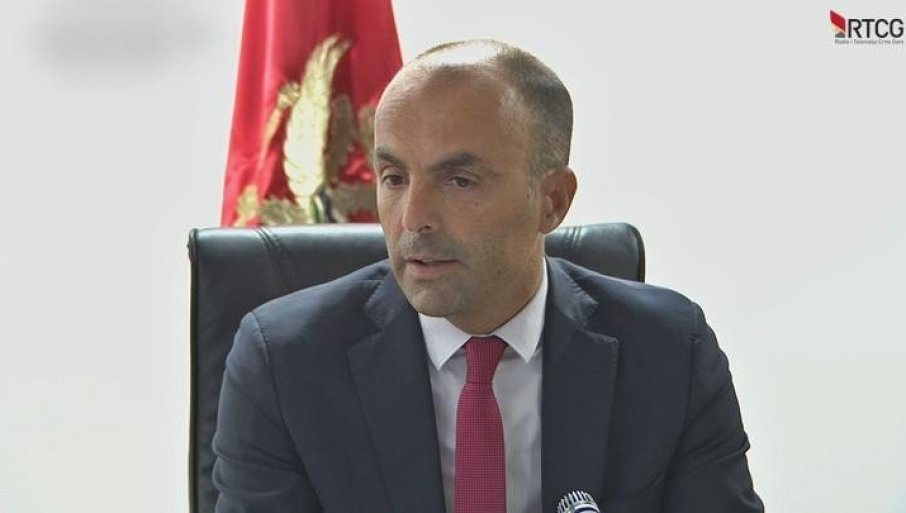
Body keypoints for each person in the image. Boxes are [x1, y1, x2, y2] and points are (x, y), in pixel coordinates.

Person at [212, 39, 764, 513]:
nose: (413, 218)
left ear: (552, 201)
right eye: (394, 177)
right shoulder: (287, 362)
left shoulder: (669, 350)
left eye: (459, 181)